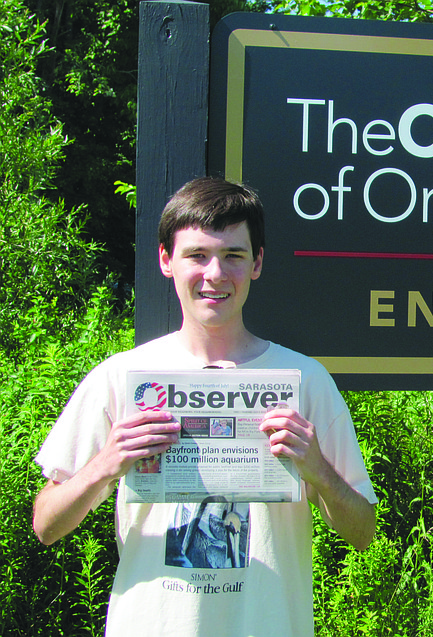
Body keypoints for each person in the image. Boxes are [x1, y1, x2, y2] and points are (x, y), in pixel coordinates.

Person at [32, 177, 377, 636]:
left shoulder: (304, 380)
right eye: (197, 255)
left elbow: (362, 532)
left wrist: (317, 469)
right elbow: (46, 524)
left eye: (233, 255)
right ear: (165, 261)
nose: (215, 274)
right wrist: (106, 464)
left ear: (256, 264)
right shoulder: (121, 377)